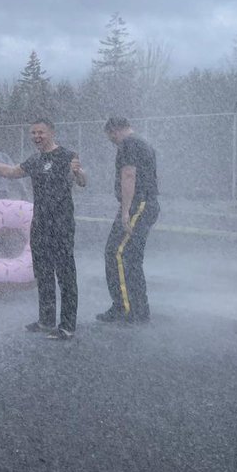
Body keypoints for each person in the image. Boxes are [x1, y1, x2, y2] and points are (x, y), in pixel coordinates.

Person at [0, 119, 87, 340]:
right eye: (33, 133)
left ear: (51, 133)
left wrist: (78, 173)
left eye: (41, 132)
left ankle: (67, 325)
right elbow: (10, 172)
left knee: (65, 274)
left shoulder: (67, 155)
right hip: (40, 223)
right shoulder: (35, 160)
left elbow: (82, 181)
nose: (37, 136)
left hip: (61, 223)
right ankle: (46, 320)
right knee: (43, 272)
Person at [98, 117, 160, 325]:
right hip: (145, 204)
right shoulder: (142, 142)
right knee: (130, 258)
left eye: (110, 138)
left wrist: (125, 211)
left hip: (138, 205)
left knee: (117, 254)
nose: (111, 142)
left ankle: (126, 309)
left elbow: (129, 175)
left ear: (114, 131)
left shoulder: (128, 143)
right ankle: (136, 309)